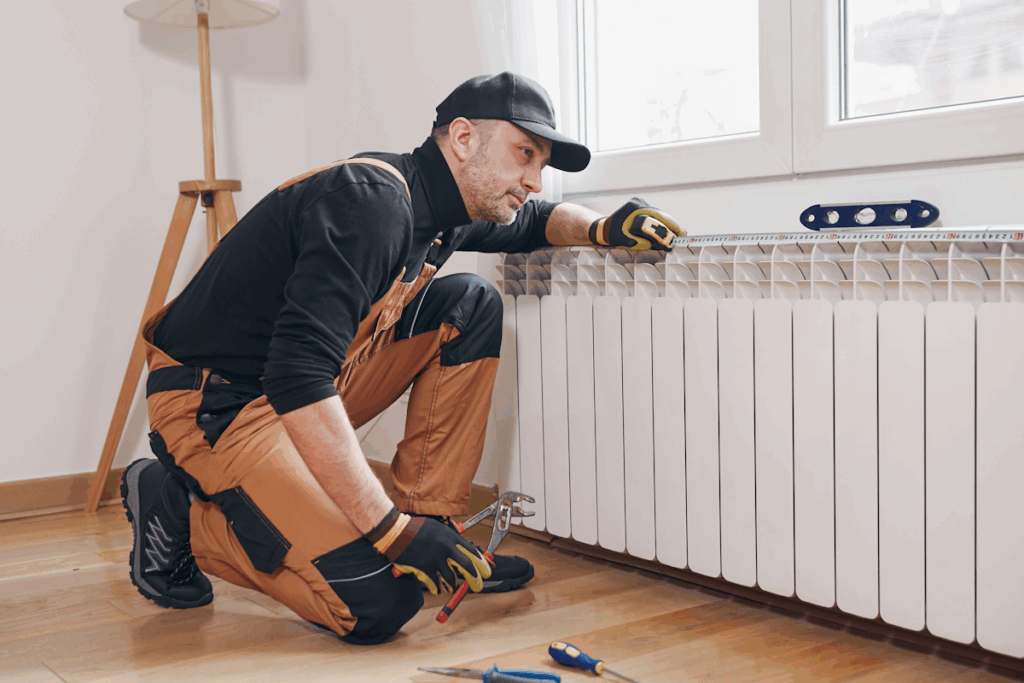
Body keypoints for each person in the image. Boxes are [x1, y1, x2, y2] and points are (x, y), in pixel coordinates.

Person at [121, 71, 685, 645]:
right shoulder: (371, 203)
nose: (535, 179)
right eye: (524, 155)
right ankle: (176, 510)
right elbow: (299, 376)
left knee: (467, 303)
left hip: (299, 387)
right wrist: (387, 531)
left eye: (541, 163)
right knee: (376, 606)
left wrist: (603, 227)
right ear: (464, 138)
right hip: (217, 401)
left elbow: (535, 224)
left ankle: (433, 529)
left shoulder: (444, 208)